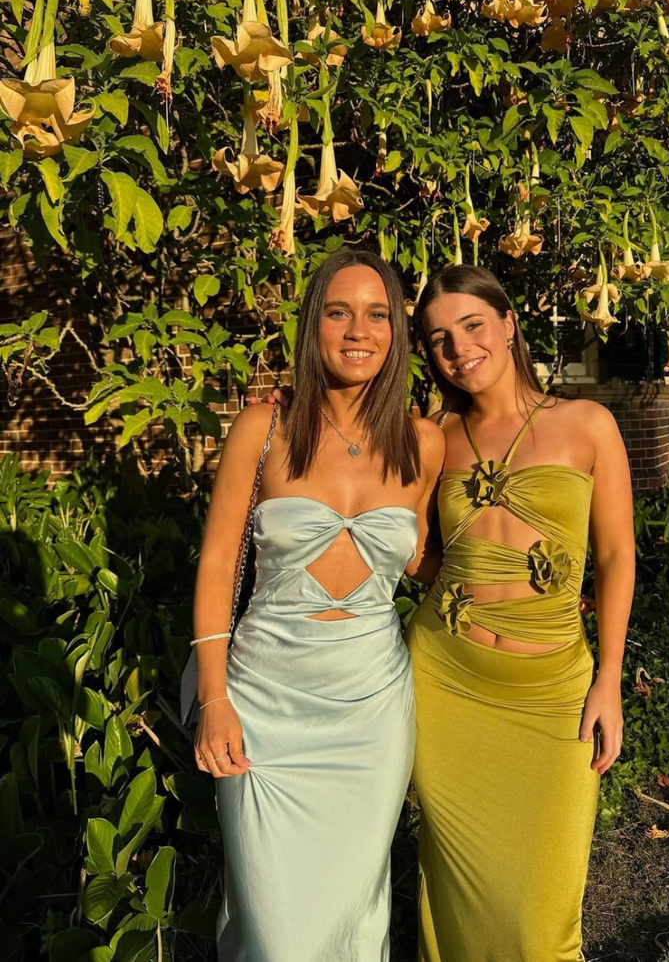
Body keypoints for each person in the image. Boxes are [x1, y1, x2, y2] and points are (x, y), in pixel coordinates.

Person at [187, 248, 444, 961]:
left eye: (377, 314)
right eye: (338, 312)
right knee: (277, 934)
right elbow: (216, 566)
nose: (358, 331)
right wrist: (213, 698)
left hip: (370, 714)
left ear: (396, 332)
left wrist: (515, 574)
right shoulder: (263, 429)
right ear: (312, 326)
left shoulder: (424, 442)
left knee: (351, 920)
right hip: (263, 703)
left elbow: (421, 560)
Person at [407, 264, 634, 962]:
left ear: (508, 324)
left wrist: (610, 678)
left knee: (542, 923)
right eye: (439, 338)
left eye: (473, 325)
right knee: (455, 892)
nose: (459, 348)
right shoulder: (434, 436)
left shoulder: (586, 423)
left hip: (553, 693)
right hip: (445, 683)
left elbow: (616, 555)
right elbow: (415, 553)